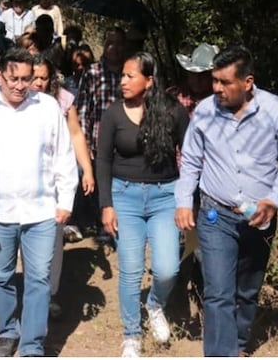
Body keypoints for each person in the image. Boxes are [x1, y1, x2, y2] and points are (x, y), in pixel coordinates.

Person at [175, 46, 278, 356]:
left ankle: (240, 345)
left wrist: (273, 201)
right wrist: (183, 201)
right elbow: (190, 160)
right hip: (215, 215)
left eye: (225, 82)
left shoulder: (276, 111)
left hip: (258, 218)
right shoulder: (205, 112)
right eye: (214, 80)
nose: (217, 88)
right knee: (218, 292)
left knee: (247, 290)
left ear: (247, 82)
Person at [0, 48, 78, 357]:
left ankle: (32, 345)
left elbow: (63, 155)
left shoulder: (47, 107)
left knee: (39, 278)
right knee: (1, 275)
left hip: (42, 210)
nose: (21, 86)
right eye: (14, 79)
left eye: (27, 78)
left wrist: (65, 200)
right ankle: (8, 331)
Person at [98, 52, 190, 357]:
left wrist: (186, 199)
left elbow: (190, 155)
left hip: (166, 196)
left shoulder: (173, 111)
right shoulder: (113, 113)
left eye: (130, 76)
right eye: (122, 76)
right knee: (131, 269)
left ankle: (154, 305)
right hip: (124, 196)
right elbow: (103, 160)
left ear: (149, 80)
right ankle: (132, 335)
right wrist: (106, 204)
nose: (123, 82)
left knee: (167, 269)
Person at [28, 54, 96, 313]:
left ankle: (50, 294)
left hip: (55, 181)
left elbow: (76, 134)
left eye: (44, 78)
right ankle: (31, 293)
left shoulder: (63, 100)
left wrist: (86, 169)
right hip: (25, 183)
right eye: (34, 77)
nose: (38, 83)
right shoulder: (15, 102)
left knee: (54, 239)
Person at [76, 27, 128, 237]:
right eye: (110, 43)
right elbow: (83, 109)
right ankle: (103, 228)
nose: (114, 48)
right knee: (101, 186)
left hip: (126, 144)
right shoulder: (92, 73)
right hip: (99, 142)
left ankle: (123, 227)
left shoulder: (130, 72)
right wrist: (85, 143)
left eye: (118, 43)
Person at [168, 42, 219, 114]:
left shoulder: (220, 100)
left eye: (203, 75)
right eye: (193, 74)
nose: (197, 79)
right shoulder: (174, 95)